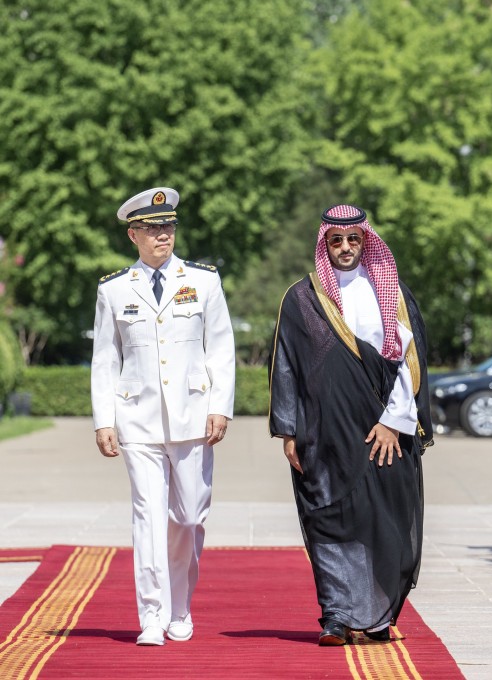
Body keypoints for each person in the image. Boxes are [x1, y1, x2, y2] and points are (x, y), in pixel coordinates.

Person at [268, 204, 432, 646]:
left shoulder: (393, 293)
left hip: (385, 430)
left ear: (366, 242)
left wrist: (393, 423)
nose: (344, 248)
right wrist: (288, 432)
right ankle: (337, 616)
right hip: (324, 431)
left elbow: (408, 365)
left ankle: (377, 615)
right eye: (336, 241)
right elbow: (285, 367)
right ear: (325, 243)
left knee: (384, 519)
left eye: (353, 240)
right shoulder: (301, 298)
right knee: (330, 519)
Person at [90, 187, 235, 646]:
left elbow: (222, 349)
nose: (163, 236)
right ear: (133, 234)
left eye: (168, 227)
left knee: (189, 517)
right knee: (148, 516)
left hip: (193, 416)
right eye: (153, 229)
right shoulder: (114, 289)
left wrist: (219, 407)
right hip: (137, 417)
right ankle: (153, 615)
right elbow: (104, 360)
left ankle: (180, 606)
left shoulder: (205, 281)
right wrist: (104, 419)